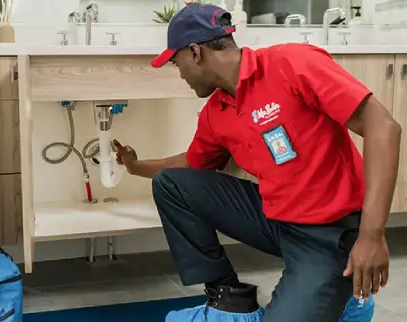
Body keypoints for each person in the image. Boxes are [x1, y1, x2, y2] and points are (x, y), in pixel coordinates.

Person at [113, 3, 398, 322]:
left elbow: (383, 127)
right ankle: (231, 300)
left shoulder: (291, 63)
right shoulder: (216, 111)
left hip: (329, 235)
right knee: (172, 184)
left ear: (195, 52)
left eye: (176, 63)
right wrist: (135, 167)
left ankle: (349, 302)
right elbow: (191, 166)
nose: (179, 73)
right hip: (277, 218)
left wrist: (372, 235)